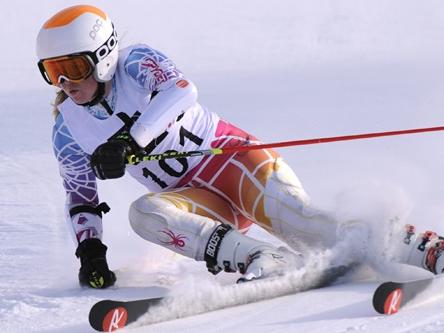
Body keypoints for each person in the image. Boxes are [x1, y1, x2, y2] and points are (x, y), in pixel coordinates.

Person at [36, 5, 444, 289]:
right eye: (53, 72)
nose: (66, 83)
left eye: (73, 67)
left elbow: (181, 92)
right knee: (144, 213)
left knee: (309, 230)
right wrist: (91, 251)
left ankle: (423, 249)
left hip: (232, 161)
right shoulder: (68, 131)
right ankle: (261, 259)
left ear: (104, 55)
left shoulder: (135, 62)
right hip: (196, 198)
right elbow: (81, 198)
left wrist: (129, 140)